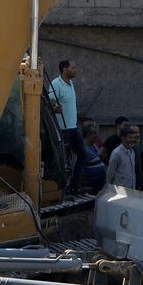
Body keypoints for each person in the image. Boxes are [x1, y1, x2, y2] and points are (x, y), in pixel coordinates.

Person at [49, 60, 86, 194]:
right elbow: (50, 100)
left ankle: (75, 186)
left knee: (82, 154)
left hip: (73, 127)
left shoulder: (71, 83)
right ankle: (64, 189)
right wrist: (55, 107)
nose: (75, 70)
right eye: (73, 68)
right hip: (62, 129)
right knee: (63, 161)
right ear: (65, 69)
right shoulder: (56, 83)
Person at [106, 125, 140, 191]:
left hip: (132, 191)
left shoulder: (132, 152)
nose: (132, 140)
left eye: (133, 138)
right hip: (120, 192)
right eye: (130, 137)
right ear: (123, 138)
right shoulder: (116, 153)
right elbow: (110, 175)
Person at [80, 126, 107, 193]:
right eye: (94, 133)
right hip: (91, 188)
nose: (97, 135)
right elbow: (80, 170)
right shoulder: (83, 150)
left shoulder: (94, 146)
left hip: (100, 186)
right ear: (87, 135)